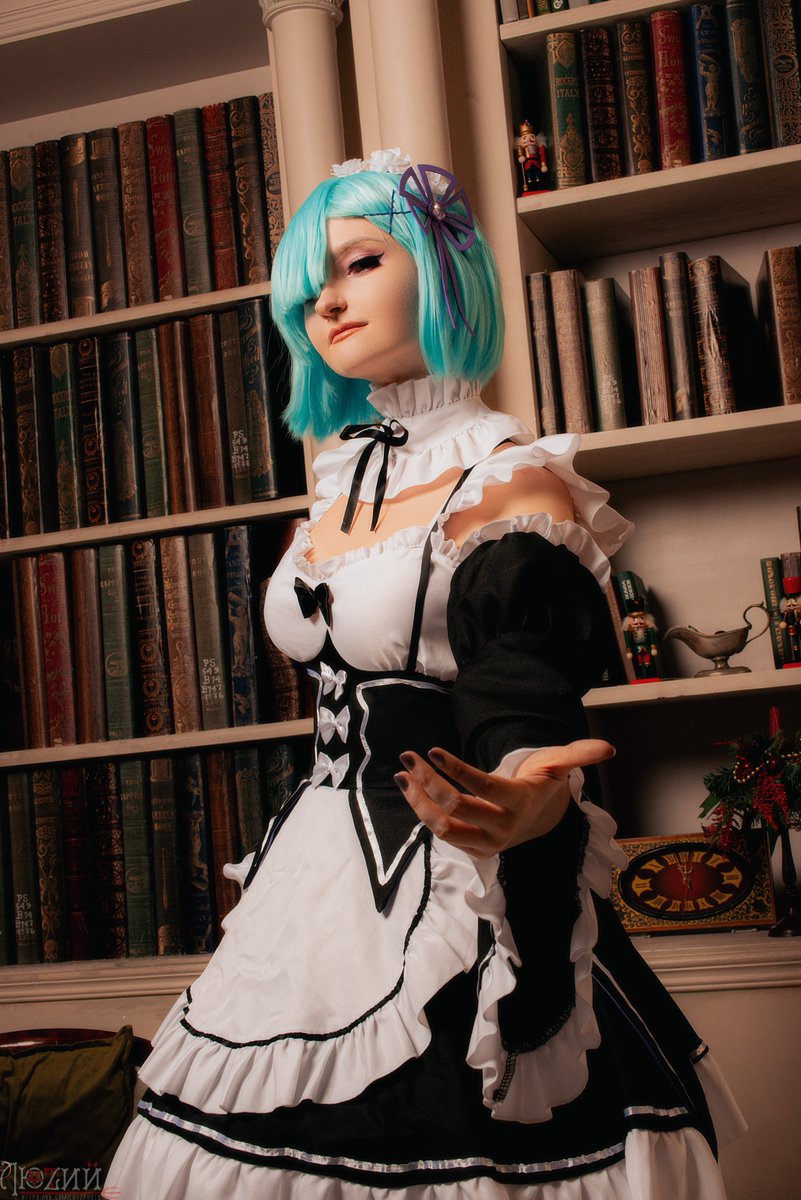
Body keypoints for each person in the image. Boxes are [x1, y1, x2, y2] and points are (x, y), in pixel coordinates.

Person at [105, 151, 744, 1198]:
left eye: (360, 262)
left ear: (444, 270)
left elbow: (516, 680)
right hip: (310, 877)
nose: (327, 301)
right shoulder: (337, 481)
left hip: (447, 873)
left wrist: (529, 791)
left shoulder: (510, 479)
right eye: (309, 285)